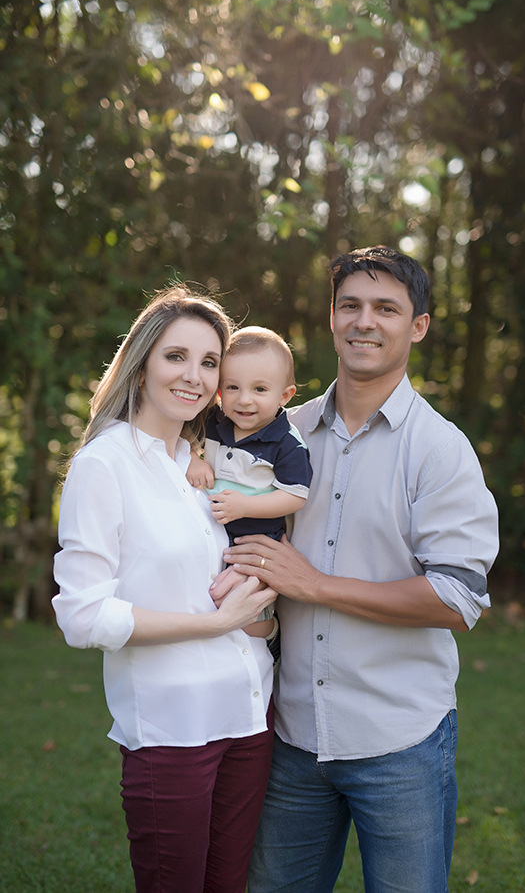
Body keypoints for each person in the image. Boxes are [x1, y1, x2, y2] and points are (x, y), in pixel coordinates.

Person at [212, 246, 499, 893]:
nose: (365, 321)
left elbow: (458, 598)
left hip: (400, 741)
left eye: (386, 308)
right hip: (292, 736)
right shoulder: (278, 431)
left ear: (417, 326)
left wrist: (313, 585)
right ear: (332, 318)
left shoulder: (440, 451)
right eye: (351, 306)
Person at [52, 285, 278, 893]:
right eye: (177, 356)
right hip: (173, 728)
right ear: (143, 361)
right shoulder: (107, 464)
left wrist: (260, 619)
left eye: (210, 362)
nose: (195, 376)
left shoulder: (212, 465)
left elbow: (237, 582)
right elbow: (82, 615)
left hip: (251, 715)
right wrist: (213, 625)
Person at [186, 326, 313, 634]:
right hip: (213, 536)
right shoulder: (215, 422)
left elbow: (294, 496)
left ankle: (268, 641)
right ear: (219, 391)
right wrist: (192, 457)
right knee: (209, 599)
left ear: (285, 396)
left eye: (259, 390)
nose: (244, 400)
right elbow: (182, 436)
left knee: (247, 615)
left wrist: (246, 505)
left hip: (254, 546)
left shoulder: (286, 442)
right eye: (232, 388)